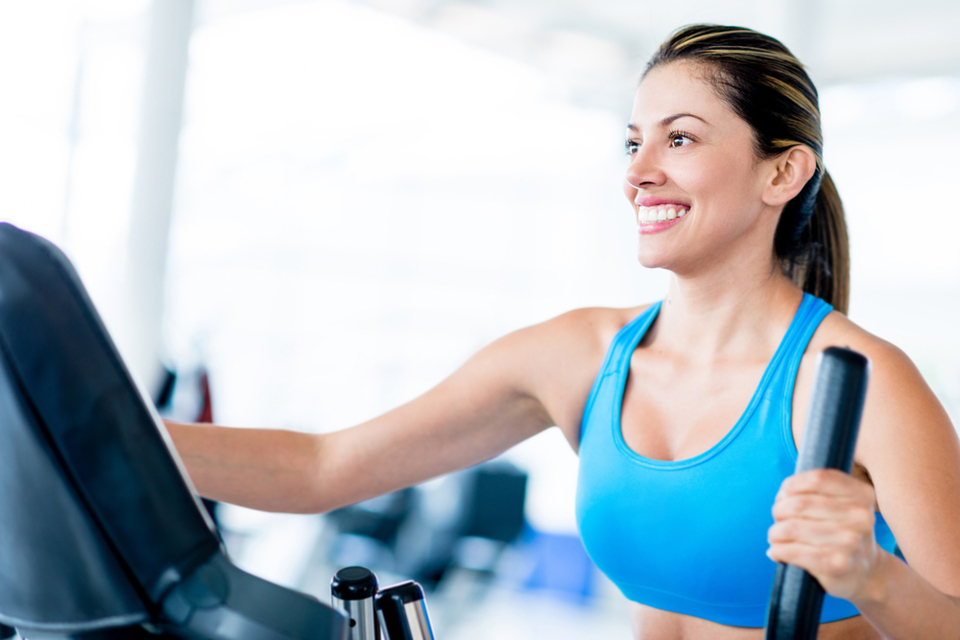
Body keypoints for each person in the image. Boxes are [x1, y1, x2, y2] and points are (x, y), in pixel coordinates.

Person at [166, 24, 960, 639]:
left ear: (781, 173)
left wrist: (873, 576)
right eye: (633, 141)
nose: (639, 169)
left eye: (678, 139)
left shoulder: (858, 381)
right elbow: (322, 468)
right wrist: (99, 430)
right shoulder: (580, 358)